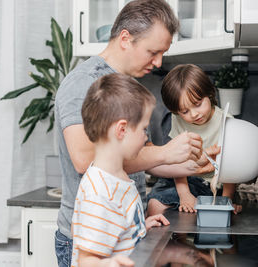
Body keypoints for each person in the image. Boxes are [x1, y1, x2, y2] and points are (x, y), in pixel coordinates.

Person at [54, 1, 218, 266]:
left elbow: (141, 157)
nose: (159, 61)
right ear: (125, 38)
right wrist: (166, 152)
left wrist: (188, 164)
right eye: (153, 51)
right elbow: (85, 160)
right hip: (92, 240)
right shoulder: (84, 82)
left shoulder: (125, 86)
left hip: (122, 232)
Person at [71, 73, 170, 267]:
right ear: (122, 130)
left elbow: (115, 230)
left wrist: (139, 228)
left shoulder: (117, 176)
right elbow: (86, 261)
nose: (145, 137)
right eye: (143, 129)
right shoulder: (100, 193)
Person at [147, 64, 243, 216]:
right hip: (182, 178)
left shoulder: (227, 122)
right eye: (184, 111)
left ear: (209, 94)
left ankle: (183, 238)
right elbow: (176, 160)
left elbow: (230, 169)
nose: (193, 114)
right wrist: (184, 194)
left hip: (214, 186)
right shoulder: (177, 119)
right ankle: (176, 240)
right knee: (155, 205)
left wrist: (227, 200)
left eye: (198, 104)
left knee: (197, 216)